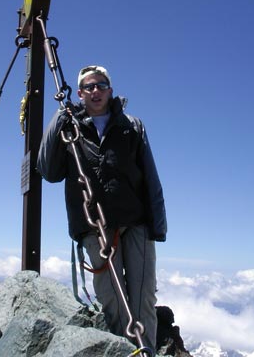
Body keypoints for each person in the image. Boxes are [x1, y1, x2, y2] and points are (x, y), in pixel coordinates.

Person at [37, 65, 167, 350]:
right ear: (80, 93)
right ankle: (126, 350)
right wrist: (59, 116)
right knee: (112, 297)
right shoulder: (70, 127)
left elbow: (150, 176)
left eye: (101, 85)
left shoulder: (132, 126)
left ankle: (147, 352)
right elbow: (48, 170)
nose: (95, 91)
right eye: (89, 87)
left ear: (110, 90)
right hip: (93, 225)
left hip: (136, 223)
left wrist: (157, 226)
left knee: (143, 295)